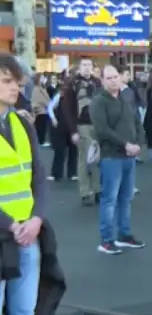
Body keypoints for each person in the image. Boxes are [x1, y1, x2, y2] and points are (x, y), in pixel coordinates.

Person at [0, 54, 56, 315]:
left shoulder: (23, 125)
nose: (15, 86)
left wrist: (35, 220)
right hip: (8, 233)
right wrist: (12, 223)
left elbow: (39, 176)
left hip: (26, 236)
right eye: (7, 80)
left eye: (17, 80)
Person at [90, 65, 145, 254]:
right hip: (111, 156)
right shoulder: (98, 102)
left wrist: (138, 143)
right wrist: (126, 144)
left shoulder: (125, 99)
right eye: (109, 78)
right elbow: (102, 130)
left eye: (116, 77)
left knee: (126, 198)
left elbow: (136, 122)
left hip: (129, 156)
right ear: (103, 80)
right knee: (110, 199)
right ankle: (106, 239)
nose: (114, 80)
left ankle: (124, 235)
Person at [60, 58, 102, 205]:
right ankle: (85, 192)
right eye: (84, 65)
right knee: (84, 158)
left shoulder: (97, 83)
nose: (86, 68)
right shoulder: (72, 84)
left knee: (97, 158)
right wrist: (73, 131)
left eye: (89, 65)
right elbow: (67, 109)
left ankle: (98, 189)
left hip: (97, 124)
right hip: (81, 125)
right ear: (79, 67)